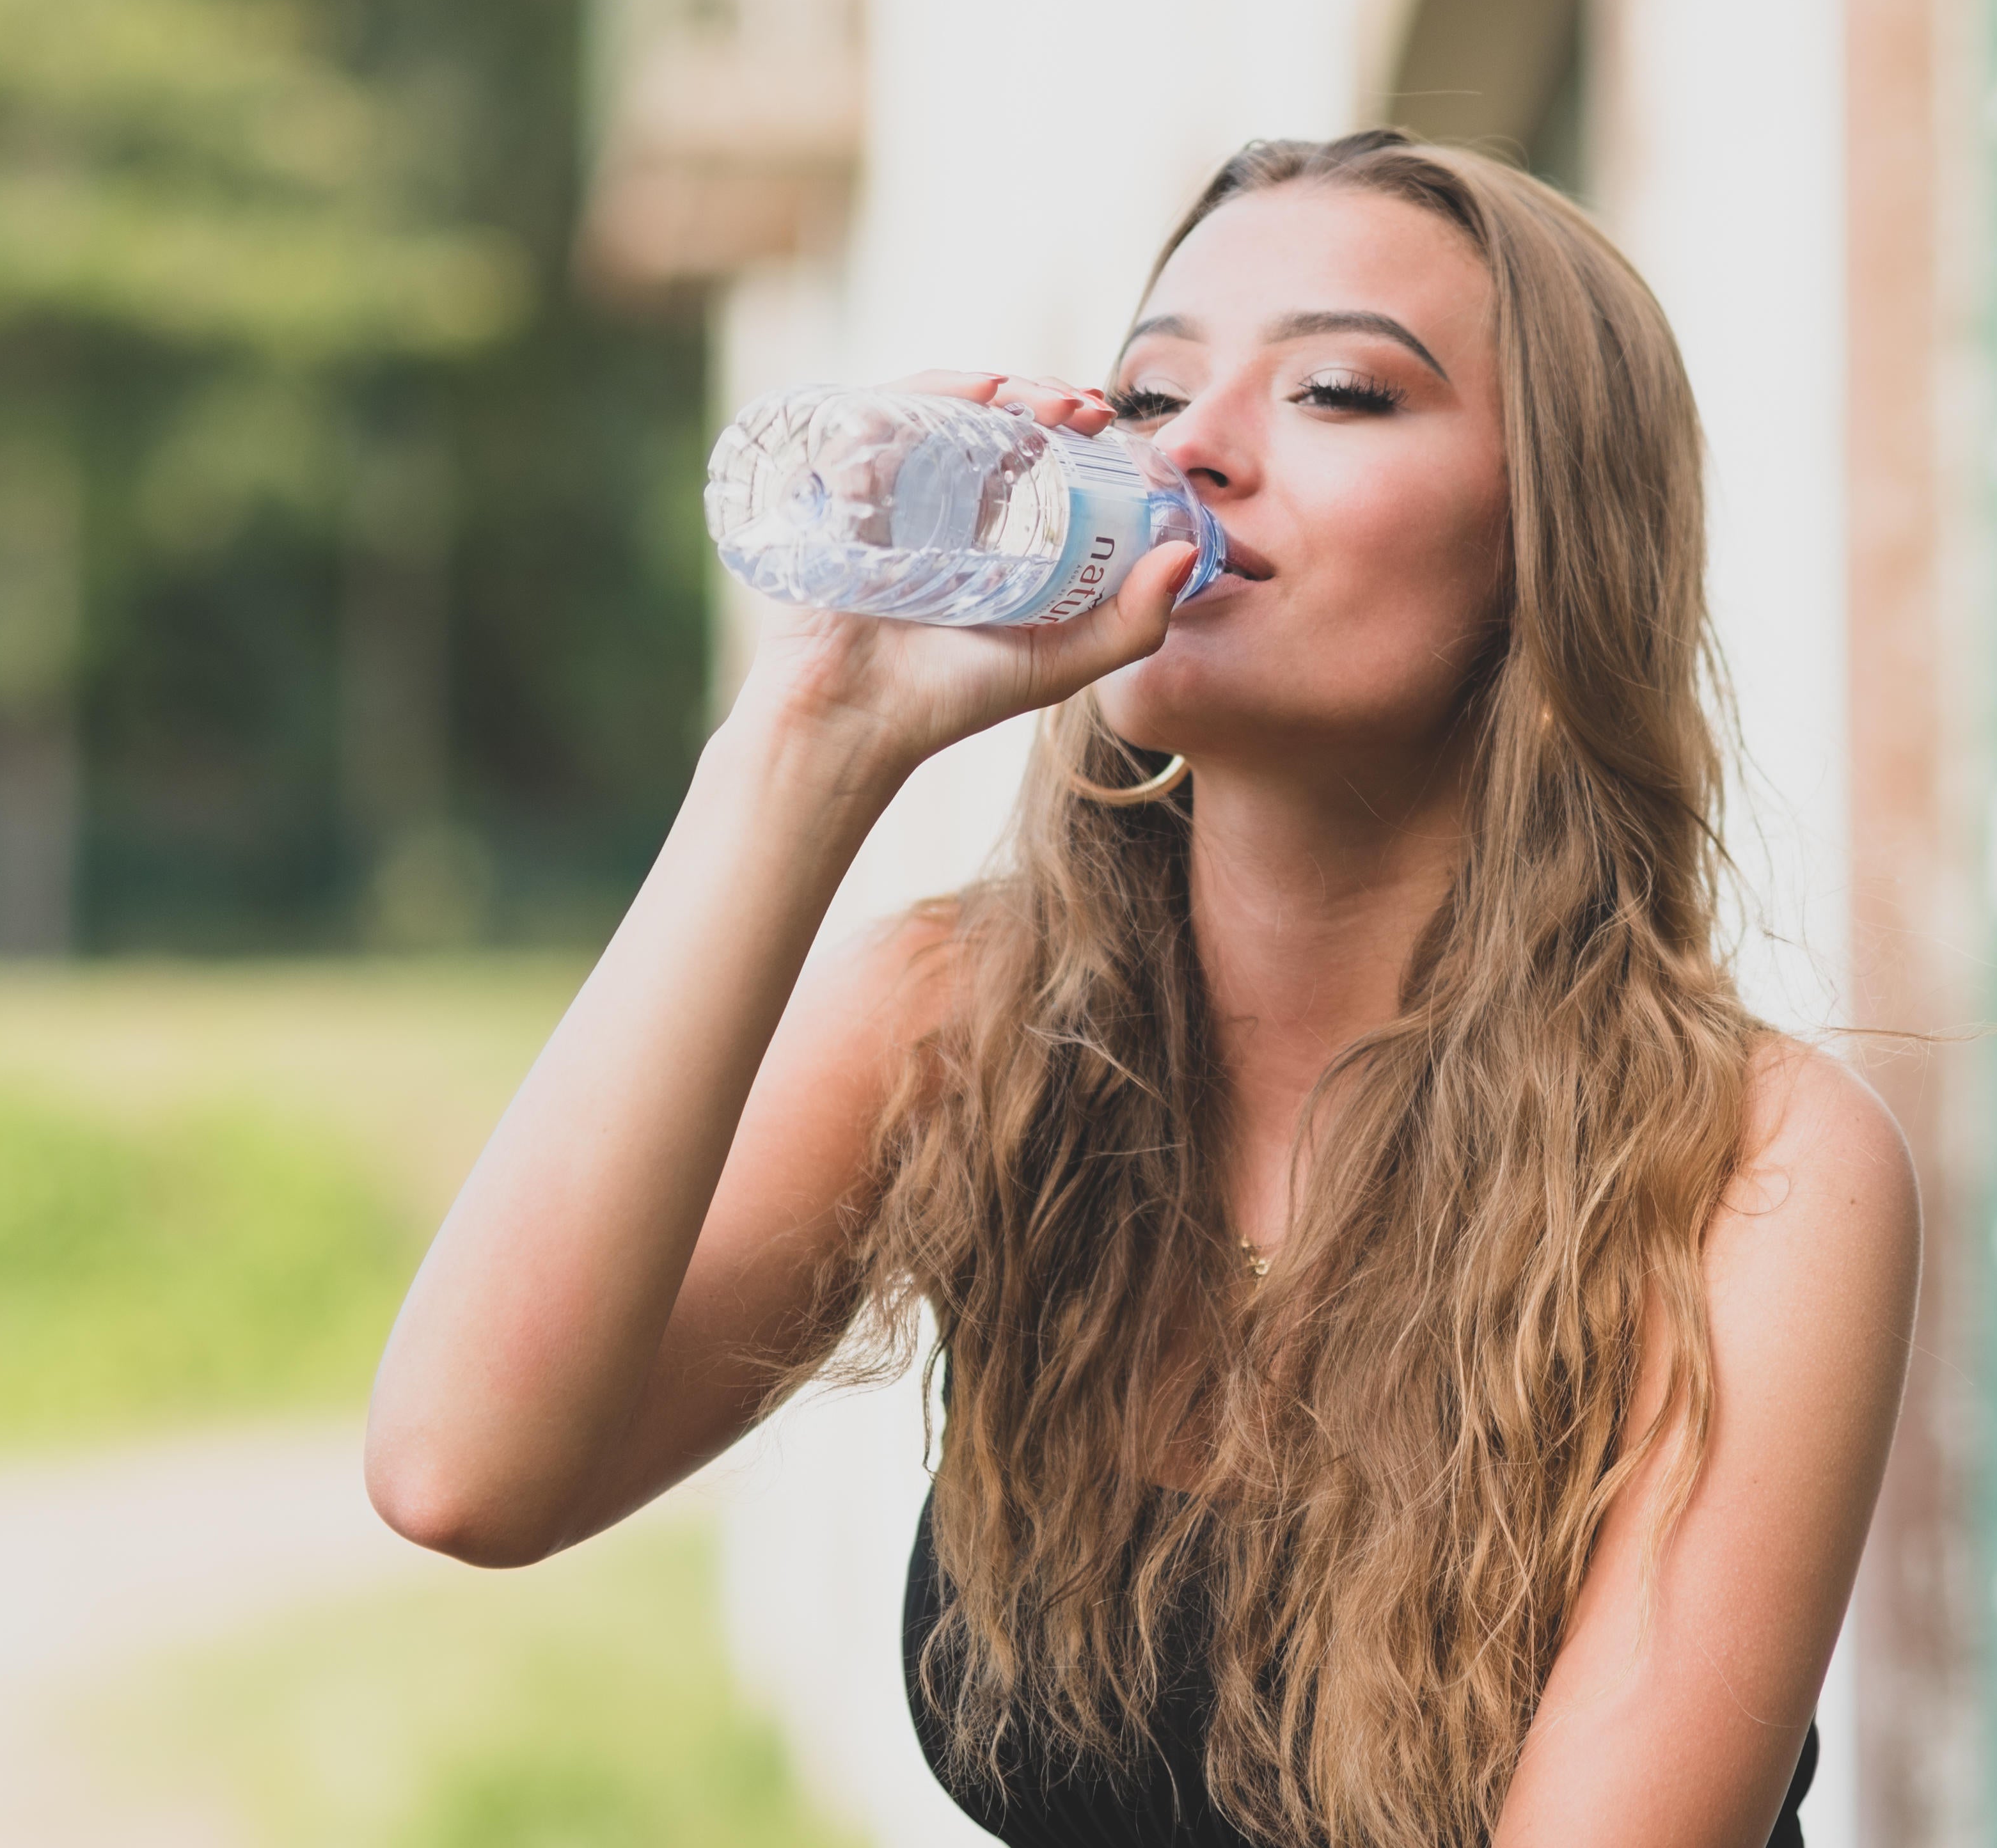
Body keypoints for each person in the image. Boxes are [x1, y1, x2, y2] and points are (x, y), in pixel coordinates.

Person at [364, 130, 1919, 1848]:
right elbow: (464, 1473)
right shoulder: (970, 1024)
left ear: (1548, 537)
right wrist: (809, 738)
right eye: (1145, 392)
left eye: (1337, 392)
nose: (1194, 451)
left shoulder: (1753, 1171)